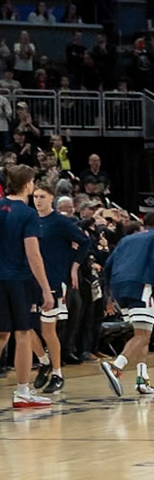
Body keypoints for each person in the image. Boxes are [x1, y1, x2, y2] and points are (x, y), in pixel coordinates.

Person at [97, 209, 154, 398]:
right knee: (142, 335)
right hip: (140, 284)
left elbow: (107, 266)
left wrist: (109, 296)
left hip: (119, 286)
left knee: (143, 333)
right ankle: (116, 366)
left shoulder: (126, 240)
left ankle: (142, 379)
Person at [3, 166, 55, 408]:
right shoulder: (28, 213)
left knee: (1, 334)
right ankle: (23, 392)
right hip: (19, 279)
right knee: (23, 334)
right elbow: (33, 254)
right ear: (27, 184)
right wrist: (45, 288)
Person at [26, 190, 84, 397]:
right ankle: (44, 361)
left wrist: (74, 266)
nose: (38, 200)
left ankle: (58, 373)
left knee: (48, 330)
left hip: (53, 280)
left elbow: (85, 242)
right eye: (36, 197)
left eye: (42, 196)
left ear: (52, 199)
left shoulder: (61, 222)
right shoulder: (29, 220)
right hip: (28, 279)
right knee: (23, 326)